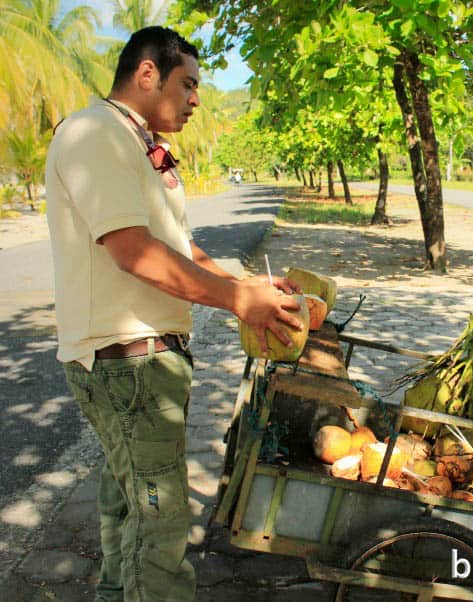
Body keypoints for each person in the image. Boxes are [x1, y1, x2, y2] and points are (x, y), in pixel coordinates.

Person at [45, 26, 302, 601]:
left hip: (144, 364)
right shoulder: (95, 134)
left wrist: (243, 282)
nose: (195, 100)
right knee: (156, 526)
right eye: (187, 84)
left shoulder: (133, 144)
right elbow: (133, 250)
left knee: (129, 507)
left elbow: (180, 247)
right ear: (145, 74)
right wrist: (239, 302)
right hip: (126, 365)